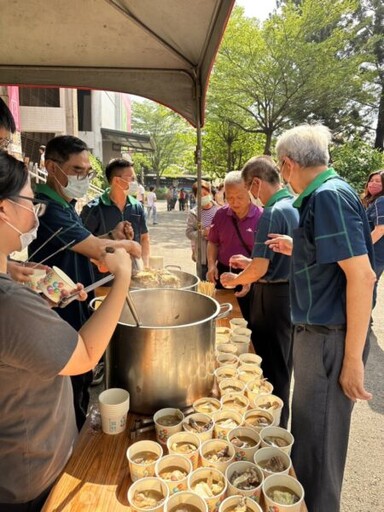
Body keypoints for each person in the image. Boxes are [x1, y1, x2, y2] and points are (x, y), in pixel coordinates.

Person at [0, 151, 134, 511]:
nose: (36, 211)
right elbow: (85, 355)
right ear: (3, 210)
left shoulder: (14, 294)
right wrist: (123, 278)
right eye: (30, 201)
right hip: (30, 478)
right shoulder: (9, 302)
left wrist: (38, 309)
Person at [268, 124, 375, 512]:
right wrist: (297, 246)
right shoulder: (323, 196)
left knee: (319, 450)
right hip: (318, 334)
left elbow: (362, 276)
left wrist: (351, 361)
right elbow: (333, 256)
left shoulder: (328, 196)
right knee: (310, 440)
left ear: (288, 164)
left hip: (330, 337)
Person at [29, 136, 141, 431]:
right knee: (71, 387)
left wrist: (112, 236)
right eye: (77, 170)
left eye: (87, 172)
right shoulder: (47, 207)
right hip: (58, 310)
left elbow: (83, 243)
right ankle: (73, 446)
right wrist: (129, 247)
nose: (83, 177)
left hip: (75, 298)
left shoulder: (66, 204)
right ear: (52, 168)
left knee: (79, 385)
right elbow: (93, 249)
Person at [221, 157, 299, 428]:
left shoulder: (272, 210)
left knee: (267, 365)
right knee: (282, 364)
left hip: (272, 298)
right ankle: (279, 422)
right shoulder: (293, 205)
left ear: (256, 183)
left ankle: (270, 428)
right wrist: (250, 264)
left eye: (249, 190)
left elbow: (261, 268)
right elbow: (273, 257)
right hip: (290, 294)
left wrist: (236, 279)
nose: (252, 197)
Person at [207, 171, 263, 321]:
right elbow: (212, 241)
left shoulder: (261, 217)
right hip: (224, 273)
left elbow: (263, 260)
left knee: (249, 320)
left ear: (249, 192)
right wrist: (212, 265)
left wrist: (249, 277)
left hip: (251, 273)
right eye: (230, 198)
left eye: (239, 197)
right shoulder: (220, 214)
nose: (235, 203)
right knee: (222, 316)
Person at [81, 158, 150, 268]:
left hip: (132, 275)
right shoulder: (93, 209)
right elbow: (83, 245)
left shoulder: (137, 207)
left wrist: (145, 266)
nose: (135, 183)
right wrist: (97, 261)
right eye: (131, 178)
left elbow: (144, 238)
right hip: (102, 277)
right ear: (117, 180)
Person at [186, 180, 219, 280]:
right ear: (195, 197)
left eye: (205, 193)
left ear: (210, 194)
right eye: (199, 195)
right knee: (203, 285)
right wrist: (203, 233)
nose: (203, 197)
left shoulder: (219, 210)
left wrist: (214, 234)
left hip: (218, 257)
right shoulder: (193, 213)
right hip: (202, 257)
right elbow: (189, 233)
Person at [362, 170, 384, 282]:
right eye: (371, 181)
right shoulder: (373, 201)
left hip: (374, 253)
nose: (373, 184)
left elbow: (380, 229)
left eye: (378, 181)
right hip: (375, 253)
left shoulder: (381, 201)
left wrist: (363, 248)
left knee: (367, 285)